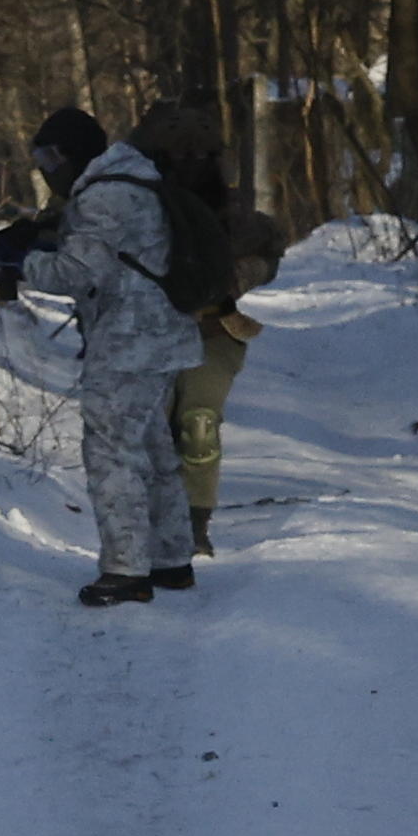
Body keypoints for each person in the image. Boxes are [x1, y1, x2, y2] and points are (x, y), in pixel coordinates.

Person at [15, 104, 205, 605]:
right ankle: (171, 560)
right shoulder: (134, 180)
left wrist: (21, 264)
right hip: (158, 336)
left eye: (49, 158)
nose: (45, 170)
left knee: (111, 452)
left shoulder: (105, 196)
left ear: (71, 155)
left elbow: (77, 273)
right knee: (153, 450)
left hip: (129, 342)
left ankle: (126, 571)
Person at [132, 101, 284, 563]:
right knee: (152, 432)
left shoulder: (231, 211)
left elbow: (268, 246)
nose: (191, 165)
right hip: (147, 335)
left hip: (213, 332)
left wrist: (241, 275)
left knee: (198, 426)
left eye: (200, 156)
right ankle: (151, 523)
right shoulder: (136, 206)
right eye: (180, 156)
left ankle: (195, 526)